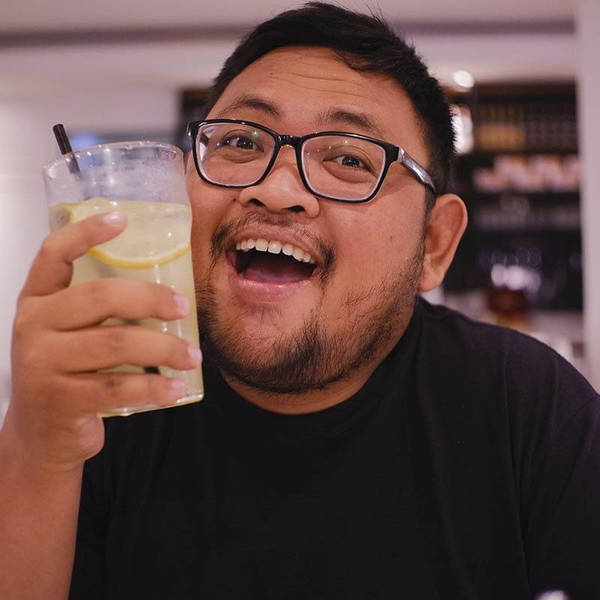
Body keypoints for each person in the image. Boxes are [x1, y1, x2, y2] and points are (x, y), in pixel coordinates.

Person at [1, 3, 599, 599]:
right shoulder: (111, 402)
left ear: (434, 244)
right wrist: (37, 452)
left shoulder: (526, 406)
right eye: (240, 141)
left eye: (349, 159)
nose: (276, 188)